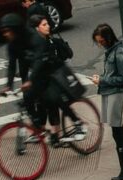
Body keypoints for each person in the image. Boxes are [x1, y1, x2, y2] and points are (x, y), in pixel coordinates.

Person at [22, 14, 82, 146]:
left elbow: (47, 62)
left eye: (47, 24)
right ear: (36, 29)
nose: (48, 26)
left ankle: (57, 134)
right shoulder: (36, 43)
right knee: (42, 105)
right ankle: (46, 133)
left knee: (53, 104)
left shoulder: (49, 43)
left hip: (56, 79)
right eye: (44, 25)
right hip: (44, 80)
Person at [91, 24, 123, 180]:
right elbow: (112, 73)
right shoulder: (111, 51)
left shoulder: (118, 52)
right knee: (118, 130)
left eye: (101, 41)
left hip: (116, 92)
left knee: (117, 131)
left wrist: (103, 80)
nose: (100, 44)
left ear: (108, 38)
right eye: (98, 42)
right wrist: (101, 79)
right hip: (108, 91)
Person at [0, 13, 29, 96]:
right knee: (28, 99)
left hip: (43, 70)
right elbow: (12, 65)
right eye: (4, 32)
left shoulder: (32, 37)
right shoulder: (12, 44)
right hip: (26, 71)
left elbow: (40, 60)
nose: (5, 34)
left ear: (16, 29)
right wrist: (9, 85)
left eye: (8, 31)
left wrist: (32, 80)